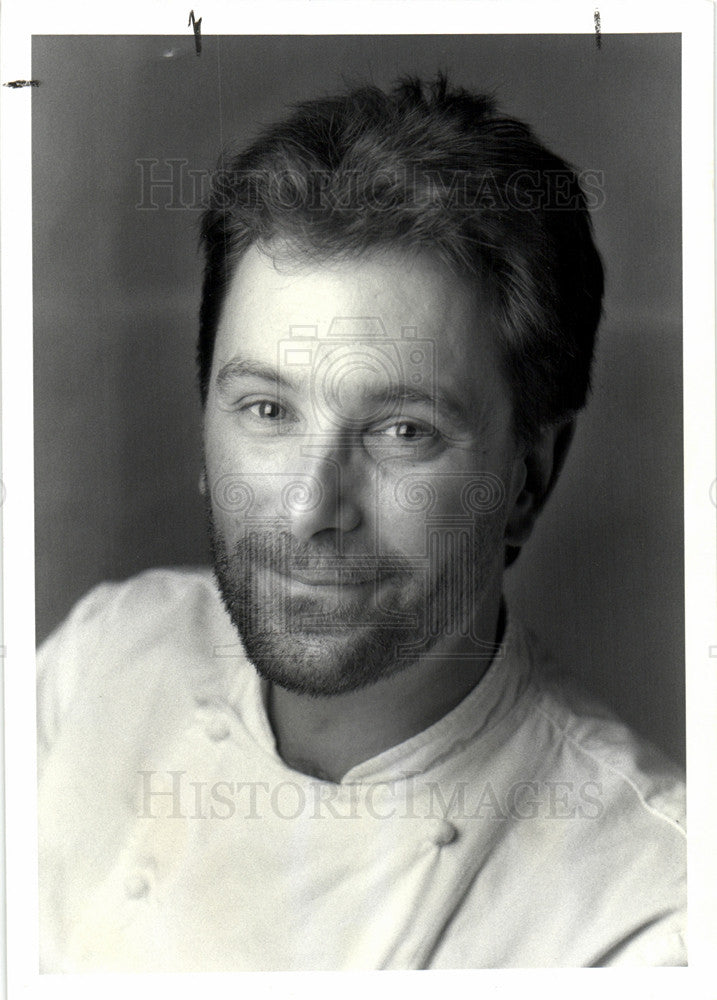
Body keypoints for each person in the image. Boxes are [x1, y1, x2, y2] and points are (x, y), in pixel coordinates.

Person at [37, 76, 686, 971]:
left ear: (529, 478)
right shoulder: (102, 656)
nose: (310, 511)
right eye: (266, 410)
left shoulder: (651, 914)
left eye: (400, 431)